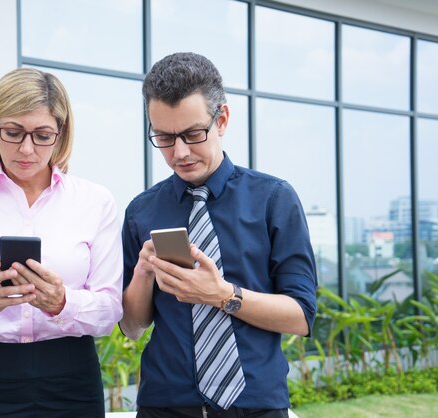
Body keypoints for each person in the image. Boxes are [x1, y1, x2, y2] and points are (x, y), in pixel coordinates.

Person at [120, 52, 318, 418]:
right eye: (163, 137)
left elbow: (301, 316)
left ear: (222, 119)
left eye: (193, 134)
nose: (179, 152)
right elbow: (133, 326)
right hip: (164, 405)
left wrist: (223, 295)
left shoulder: (274, 199)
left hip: (255, 406)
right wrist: (143, 274)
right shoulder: (141, 211)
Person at [0, 67, 123, 418]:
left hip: (71, 383)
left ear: (61, 134)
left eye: (43, 135)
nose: (26, 149)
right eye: (13, 132)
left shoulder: (95, 201)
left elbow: (110, 310)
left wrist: (63, 302)